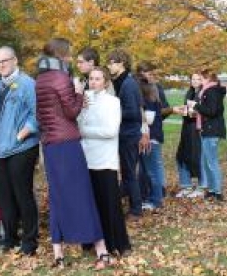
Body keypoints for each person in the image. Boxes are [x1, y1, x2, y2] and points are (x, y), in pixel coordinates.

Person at [34, 39, 112, 268]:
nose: (70, 57)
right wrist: (79, 94)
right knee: (82, 194)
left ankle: (58, 254)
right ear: (61, 54)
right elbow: (71, 111)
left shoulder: (39, 80)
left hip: (49, 144)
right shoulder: (61, 78)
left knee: (57, 196)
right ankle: (101, 250)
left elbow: (40, 115)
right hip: (67, 142)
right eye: (68, 53)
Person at [0, 45, 40, 255]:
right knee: (4, 196)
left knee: (22, 194)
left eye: (5, 61)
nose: (1, 65)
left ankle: (29, 241)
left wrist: (22, 134)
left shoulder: (27, 84)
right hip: (0, 148)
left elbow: (38, 114)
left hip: (22, 148)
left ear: (15, 60)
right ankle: (9, 238)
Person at [78, 67, 131, 257]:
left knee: (110, 203)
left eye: (97, 79)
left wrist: (86, 131)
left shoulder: (113, 102)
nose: (93, 82)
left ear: (106, 82)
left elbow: (110, 131)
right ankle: (91, 241)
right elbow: (78, 126)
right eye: (91, 79)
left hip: (105, 160)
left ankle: (118, 243)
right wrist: (82, 113)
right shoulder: (84, 101)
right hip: (87, 158)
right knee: (91, 203)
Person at [105, 49, 146, 219]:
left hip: (129, 135)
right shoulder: (121, 82)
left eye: (112, 62)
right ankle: (125, 203)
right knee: (126, 172)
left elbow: (134, 112)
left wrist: (112, 112)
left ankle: (136, 209)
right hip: (124, 134)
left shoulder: (128, 84)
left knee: (129, 173)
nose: (109, 65)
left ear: (121, 63)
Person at [138, 61, 171, 210]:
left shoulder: (152, 91)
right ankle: (151, 197)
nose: (150, 77)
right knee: (148, 168)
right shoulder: (151, 91)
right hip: (153, 134)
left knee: (152, 169)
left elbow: (151, 117)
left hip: (151, 135)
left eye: (151, 74)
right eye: (148, 73)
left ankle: (155, 199)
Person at [194, 69, 227, 201]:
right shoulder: (207, 91)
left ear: (208, 78)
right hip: (206, 129)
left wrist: (197, 106)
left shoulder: (211, 91)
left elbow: (212, 111)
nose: (200, 81)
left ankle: (218, 191)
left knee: (212, 161)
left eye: (201, 78)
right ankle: (213, 189)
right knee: (207, 162)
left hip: (212, 130)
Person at [174, 73, 204, 198]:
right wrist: (183, 111)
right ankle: (186, 185)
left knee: (197, 157)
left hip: (198, 129)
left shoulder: (203, 94)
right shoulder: (189, 93)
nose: (195, 81)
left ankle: (201, 187)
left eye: (198, 79)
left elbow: (207, 111)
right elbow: (188, 111)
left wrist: (195, 113)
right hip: (187, 128)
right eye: (193, 79)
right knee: (181, 155)